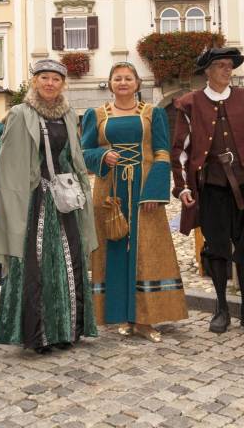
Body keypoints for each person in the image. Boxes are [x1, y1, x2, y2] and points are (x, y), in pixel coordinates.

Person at [0, 59, 98, 353]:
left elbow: (74, 157)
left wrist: (80, 189)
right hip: (34, 198)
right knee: (37, 263)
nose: (50, 83)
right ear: (35, 81)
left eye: (55, 79)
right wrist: (6, 198)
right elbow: (8, 161)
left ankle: (67, 330)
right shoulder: (20, 113)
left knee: (71, 260)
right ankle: (39, 334)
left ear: (63, 84)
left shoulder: (68, 114)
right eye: (44, 78)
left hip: (64, 199)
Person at [81, 62, 187, 342]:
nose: (123, 82)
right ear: (110, 83)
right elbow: (83, 151)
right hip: (110, 192)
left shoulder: (153, 113)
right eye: (117, 78)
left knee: (146, 251)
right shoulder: (96, 115)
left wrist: (154, 192)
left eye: (128, 78)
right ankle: (121, 315)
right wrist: (102, 156)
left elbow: (162, 152)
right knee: (114, 249)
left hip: (144, 192)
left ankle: (144, 318)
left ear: (137, 83)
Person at [171, 47, 244, 335]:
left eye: (230, 65)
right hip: (211, 188)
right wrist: (183, 187)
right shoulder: (190, 104)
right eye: (221, 65)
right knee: (216, 249)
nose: (228, 70)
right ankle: (221, 308)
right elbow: (180, 149)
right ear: (207, 71)